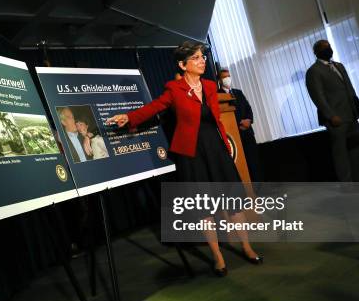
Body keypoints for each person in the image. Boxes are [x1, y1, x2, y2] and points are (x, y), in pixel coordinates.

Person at [107, 41, 262, 276]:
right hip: (193, 155)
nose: (202, 61)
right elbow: (154, 107)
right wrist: (128, 117)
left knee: (233, 201)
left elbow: (218, 119)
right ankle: (218, 257)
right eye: (197, 58)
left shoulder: (210, 86)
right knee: (205, 208)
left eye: (203, 57)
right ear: (183, 64)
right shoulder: (174, 90)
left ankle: (247, 247)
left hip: (217, 151)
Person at [305, 40, 359, 181]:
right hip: (336, 119)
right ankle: (348, 186)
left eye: (329, 46)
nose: (328, 49)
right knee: (341, 154)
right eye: (324, 48)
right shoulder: (313, 71)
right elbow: (318, 96)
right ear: (316, 52)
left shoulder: (339, 66)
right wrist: (331, 115)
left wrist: (357, 109)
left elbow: (349, 89)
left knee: (355, 150)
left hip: (351, 114)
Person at [217, 69, 263, 182]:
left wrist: (249, 120)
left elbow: (248, 108)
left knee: (254, 162)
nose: (227, 79)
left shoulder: (238, 92)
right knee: (243, 164)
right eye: (224, 77)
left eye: (229, 76)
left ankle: (259, 189)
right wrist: (238, 124)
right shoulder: (218, 96)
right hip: (235, 136)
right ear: (219, 80)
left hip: (247, 132)